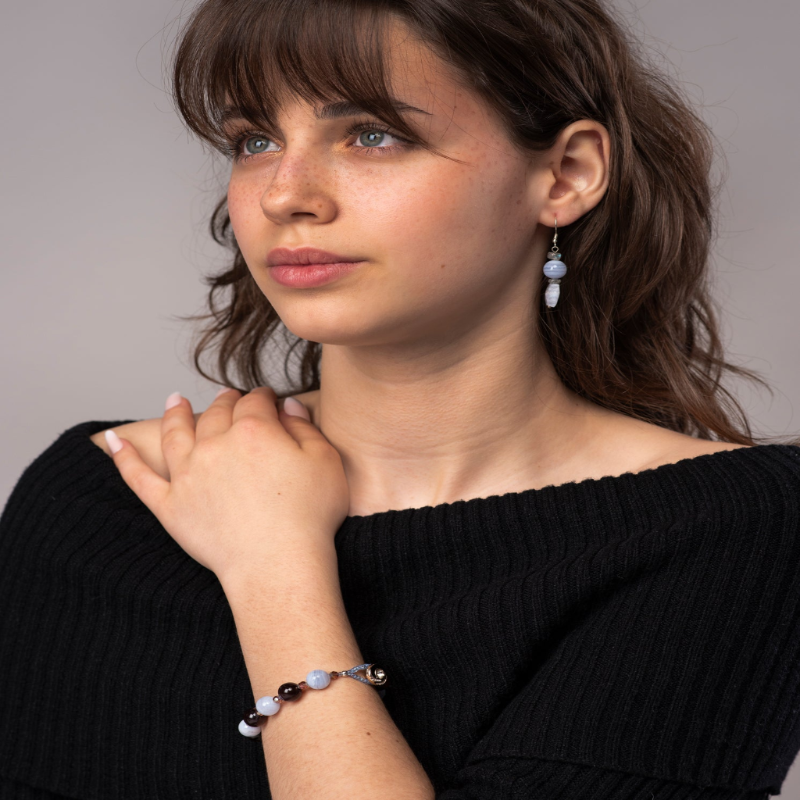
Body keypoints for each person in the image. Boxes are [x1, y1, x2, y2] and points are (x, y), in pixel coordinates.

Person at [1, 0, 799, 797]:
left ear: (566, 175)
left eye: (372, 134)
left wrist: (274, 566)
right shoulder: (106, 493)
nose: (286, 195)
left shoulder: (728, 527)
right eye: (255, 140)